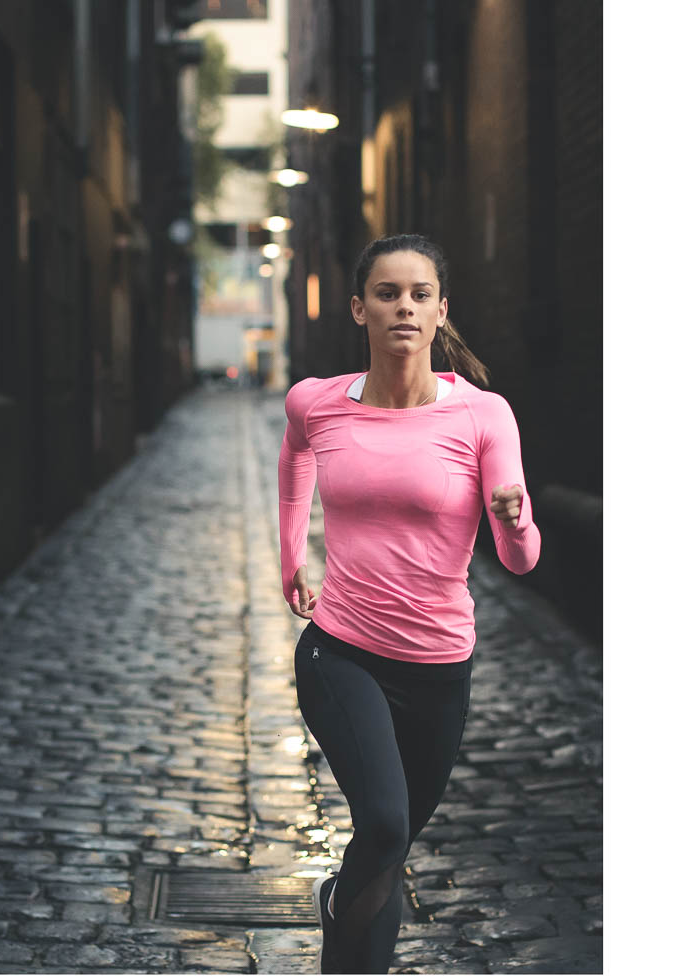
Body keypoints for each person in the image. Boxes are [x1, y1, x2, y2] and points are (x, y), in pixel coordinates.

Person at [278, 233, 541, 974]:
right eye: (388, 293)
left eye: (419, 294)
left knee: (385, 848)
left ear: (440, 311)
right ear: (359, 308)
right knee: (387, 826)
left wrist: (514, 519)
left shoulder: (485, 416)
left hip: (439, 669)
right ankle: (346, 943)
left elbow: (521, 558)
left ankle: (344, 918)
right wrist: (292, 553)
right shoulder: (317, 401)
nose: (404, 306)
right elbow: (294, 457)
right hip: (342, 651)